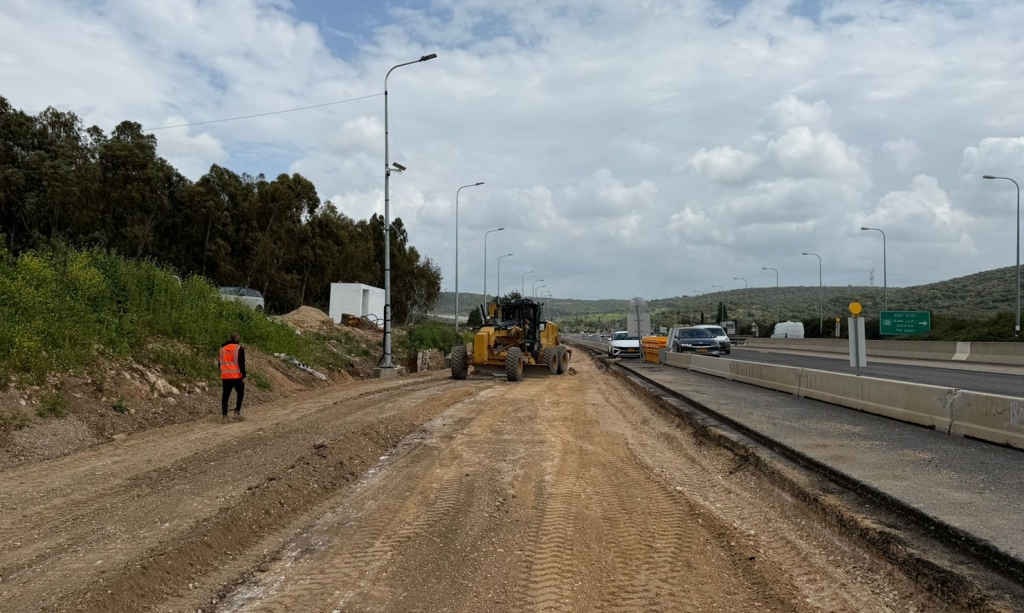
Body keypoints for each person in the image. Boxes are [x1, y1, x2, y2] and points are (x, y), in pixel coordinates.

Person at [219, 333, 246, 423]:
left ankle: (224, 416)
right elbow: (241, 363)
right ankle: (236, 412)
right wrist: (244, 375)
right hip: (236, 376)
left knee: (225, 396)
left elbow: (220, 363)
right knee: (240, 393)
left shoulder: (222, 349)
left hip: (225, 376)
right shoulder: (238, 348)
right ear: (238, 339)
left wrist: (222, 372)